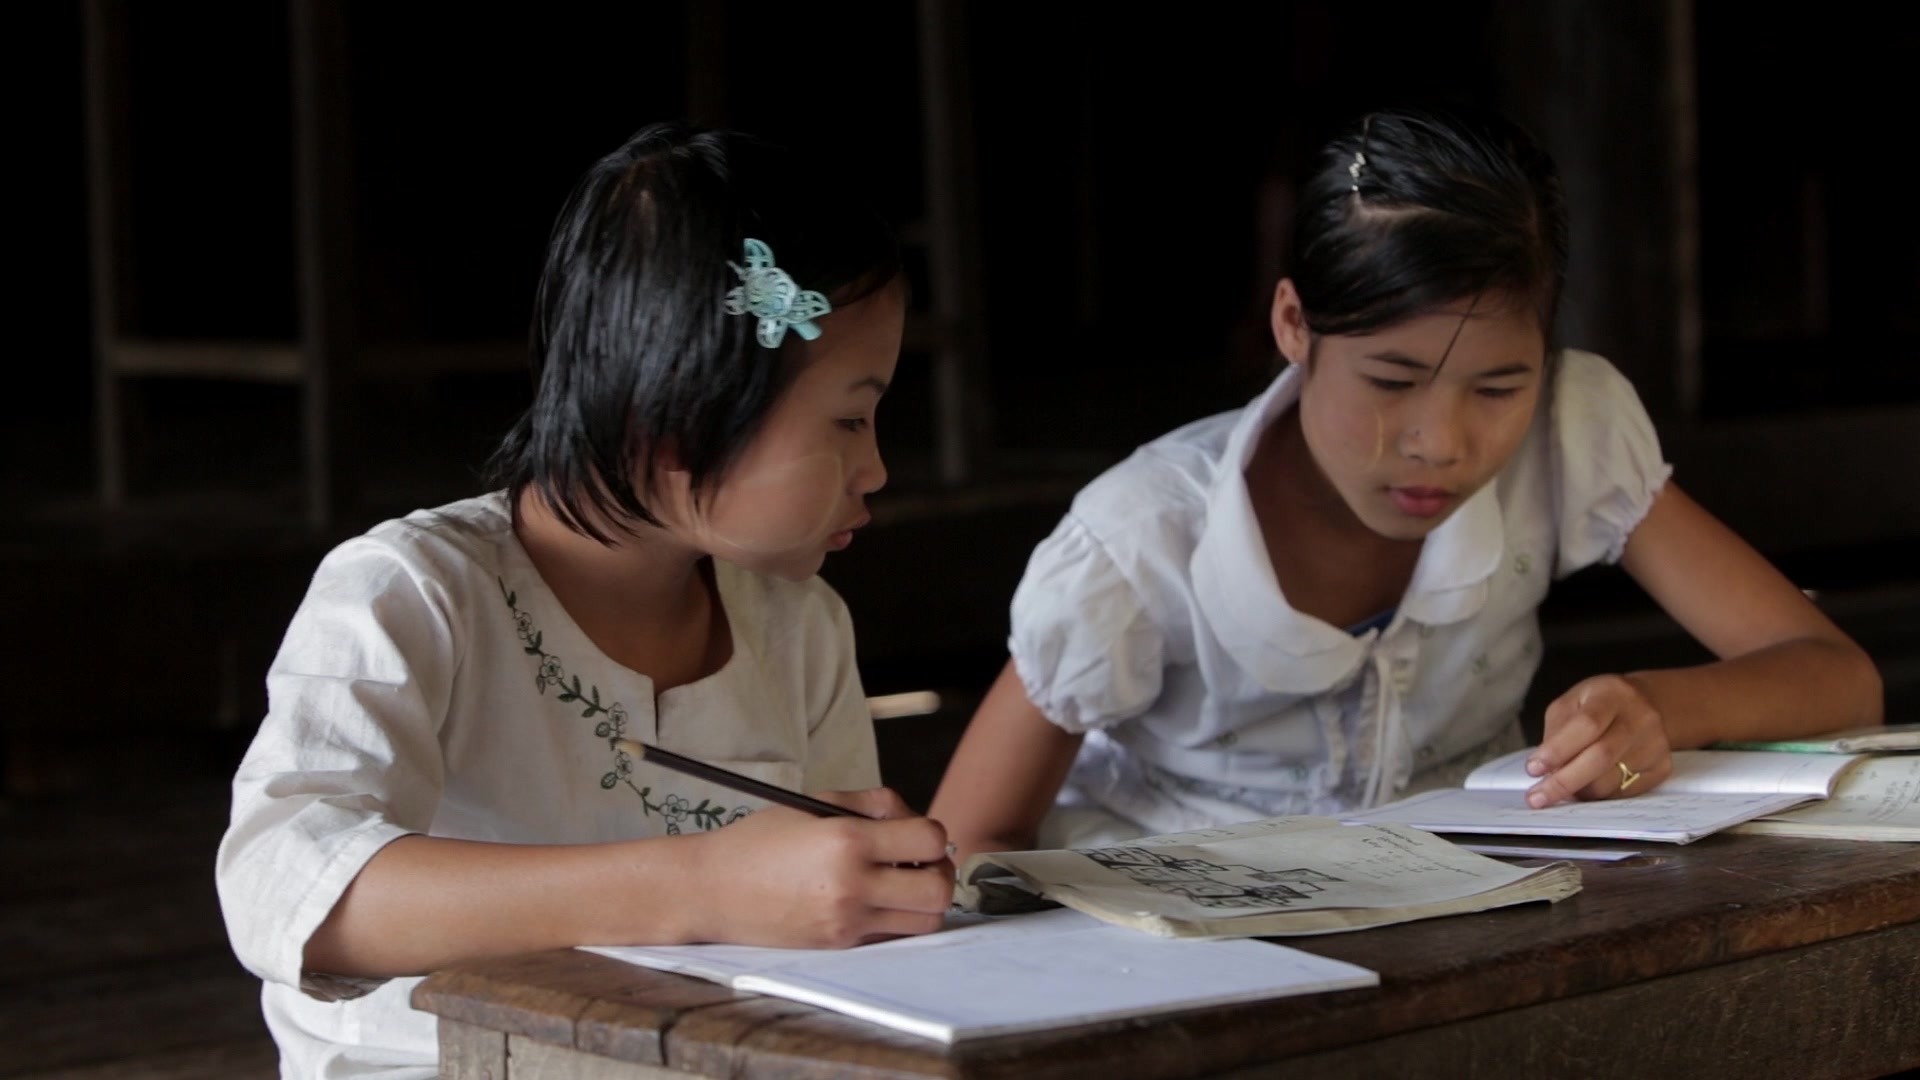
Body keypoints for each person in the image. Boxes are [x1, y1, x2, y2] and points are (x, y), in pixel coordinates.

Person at [928, 107, 1883, 861]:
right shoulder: (1145, 543)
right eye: (1391, 381)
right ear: (1295, 326)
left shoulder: (1569, 434)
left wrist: (1656, 706)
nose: (1441, 442)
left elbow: (1837, 676)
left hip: (1467, 926)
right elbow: (972, 838)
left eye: (1500, 386)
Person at [216, 123, 953, 1078]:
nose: (878, 468)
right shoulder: (414, 591)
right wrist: (703, 885)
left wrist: (866, 890)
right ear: (675, 426)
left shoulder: (798, 626)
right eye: (850, 418)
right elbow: (280, 891)